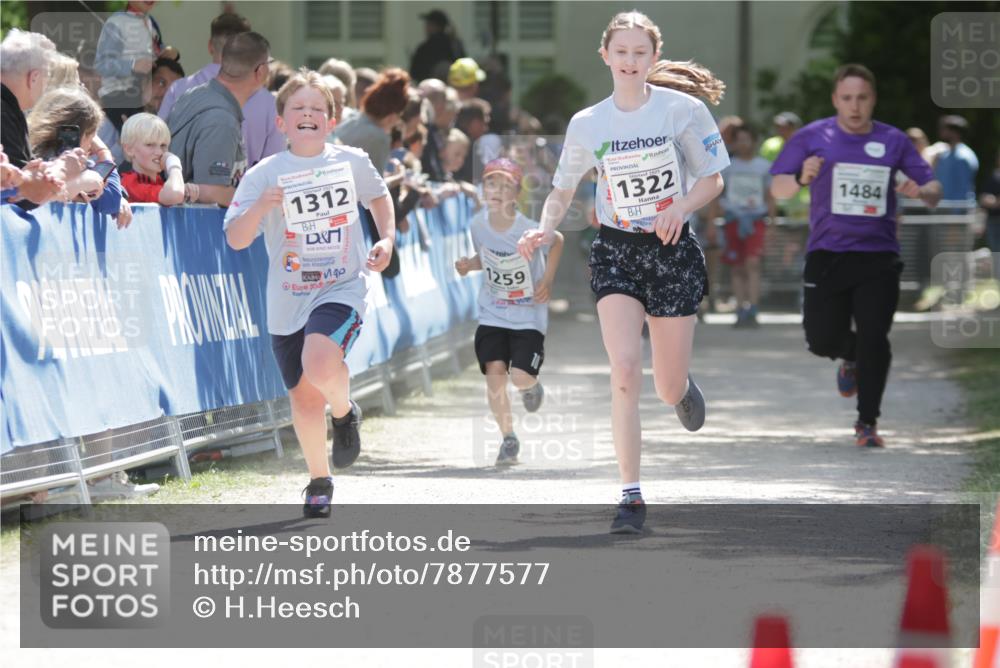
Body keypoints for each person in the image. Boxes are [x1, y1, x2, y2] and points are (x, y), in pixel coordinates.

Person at [518, 11, 729, 534]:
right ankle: (631, 496)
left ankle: (680, 390)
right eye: (622, 52)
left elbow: (714, 180)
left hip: (671, 249)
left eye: (641, 53)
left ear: (654, 58)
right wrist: (543, 229)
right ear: (606, 57)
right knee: (626, 370)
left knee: (664, 383)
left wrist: (680, 206)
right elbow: (563, 190)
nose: (631, 62)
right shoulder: (589, 123)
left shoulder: (684, 110)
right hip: (616, 251)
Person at [223, 70, 395, 518]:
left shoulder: (351, 161)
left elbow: (379, 197)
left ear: (331, 120)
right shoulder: (265, 174)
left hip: (341, 285)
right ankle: (320, 480)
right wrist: (263, 205)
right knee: (303, 397)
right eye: (297, 108)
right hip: (287, 297)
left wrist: (386, 240)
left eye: (317, 109)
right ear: (281, 122)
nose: (307, 115)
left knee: (320, 362)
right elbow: (236, 239)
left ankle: (342, 410)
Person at [769, 63, 942, 448]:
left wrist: (922, 192)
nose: (855, 106)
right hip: (827, 253)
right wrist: (801, 178)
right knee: (820, 339)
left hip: (878, 256)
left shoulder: (893, 140)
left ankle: (867, 422)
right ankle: (851, 356)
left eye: (862, 98)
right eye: (847, 98)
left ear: (873, 99)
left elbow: (934, 188)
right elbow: (778, 187)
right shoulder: (811, 137)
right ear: (835, 100)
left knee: (875, 337)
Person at [455, 158, 565, 465]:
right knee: (494, 375)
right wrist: (469, 265)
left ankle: (532, 385)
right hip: (492, 312)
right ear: (483, 190)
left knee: (519, 377)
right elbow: (486, 257)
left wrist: (547, 279)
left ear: (516, 194)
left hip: (528, 315)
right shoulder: (476, 224)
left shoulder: (528, 229)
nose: (498, 191)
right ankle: (509, 438)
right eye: (491, 183)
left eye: (506, 186)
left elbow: (557, 240)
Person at [159, 13, 283, 168]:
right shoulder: (269, 103)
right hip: (250, 190)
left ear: (210, 46)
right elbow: (274, 164)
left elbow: (158, 146)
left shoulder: (178, 89)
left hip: (182, 188)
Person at [166, 31, 270, 206]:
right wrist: (257, 201)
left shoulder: (194, 94)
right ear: (261, 71)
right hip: (195, 227)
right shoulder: (221, 120)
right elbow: (210, 191)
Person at [0, 29, 89, 207]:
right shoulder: (4, 110)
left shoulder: (10, 107)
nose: (47, 85)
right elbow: (23, 196)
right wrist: (63, 169)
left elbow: (26, 180)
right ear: (33, 78)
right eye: (47, 77)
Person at [708, 125, 776, 327]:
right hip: (733, 220)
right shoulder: (728, 166)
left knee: (753, 264)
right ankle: (740, 308)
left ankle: (753, 307)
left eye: (748, 139)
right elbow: (716, 195)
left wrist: (771, 224)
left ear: (754, 141)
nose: (744, 143)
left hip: (755, 220)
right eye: (740, 139)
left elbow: (770, 197)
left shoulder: (763, 166)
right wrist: (712, 222)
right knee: (737, 267)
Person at [28, 86, 125, 218]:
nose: (91, 145)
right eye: (91, 137)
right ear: (83, 135)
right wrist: (104, 153)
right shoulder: (77, 166)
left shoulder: (28, 156)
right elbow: (111, 202)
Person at [95, 0, 164, 132]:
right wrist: (132, 65)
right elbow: (102, 63)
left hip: (142, 94)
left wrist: (167, 52)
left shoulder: (151, 22)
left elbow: (156, 47)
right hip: (119, 98)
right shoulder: (116, 23)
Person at [119, 112, 191, 205]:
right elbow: (175, 194)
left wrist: (186, 191)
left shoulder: (158, 181)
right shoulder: (130, 182)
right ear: (129, 149)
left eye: (163, 145)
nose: (159, 152)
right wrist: (174, 166)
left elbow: (175, 193)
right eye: (149, 144)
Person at [410, 9, 465, 83]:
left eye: (429, 24)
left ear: (436, 26)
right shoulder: (455, 43)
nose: (426, 27)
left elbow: (415, 73)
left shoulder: (425, 48)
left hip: (429, 89)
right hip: (454, 87)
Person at [454, 98, 502, 183]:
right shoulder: (460, 145)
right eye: (484, 123)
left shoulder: (472, 144)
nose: (486, 128)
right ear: (474, 123)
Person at [934, 115, 979, 204]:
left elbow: (962, 189)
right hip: (942, 210)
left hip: (957, 213)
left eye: (944, 129)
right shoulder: (944, 155)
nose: (941, 131)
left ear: (954, 132)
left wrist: (956, 213)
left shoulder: (963, 157)